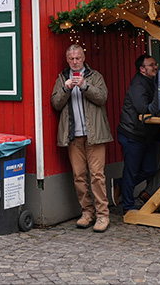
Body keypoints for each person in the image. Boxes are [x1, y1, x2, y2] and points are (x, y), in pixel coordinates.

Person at [51, 44, 112, 232]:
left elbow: (102, 97)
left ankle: (103, 215)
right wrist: (66, 89)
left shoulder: (95, 76)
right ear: (67, 60)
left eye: (78, 58)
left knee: (97, 176)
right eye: (71, 59)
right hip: (73, 136)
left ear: (83, 58)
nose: (75, 62)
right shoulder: (62, 78)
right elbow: (55, 103)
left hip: (95, 134)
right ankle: (87, 213)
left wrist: (85, 86)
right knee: (79, 176)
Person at [115, 55, 160, 213]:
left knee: (150, 169)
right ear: (142, 69)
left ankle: (120, 184)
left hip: (146, 135)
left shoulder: (150, 82)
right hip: (132, 134)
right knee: (132, 170)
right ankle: (128, 207)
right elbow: (143, 108)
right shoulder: (138, 85)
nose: (155, 67)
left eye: (155, 64)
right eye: (151, 65)